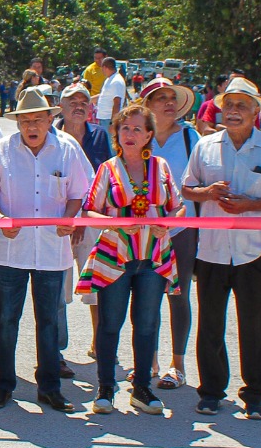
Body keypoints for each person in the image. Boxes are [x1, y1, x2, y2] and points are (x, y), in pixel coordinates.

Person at [0, 86, 94, 413]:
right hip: (12, 249)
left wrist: (71, 218)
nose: (32, 126)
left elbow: (80, 192)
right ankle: (4, 385)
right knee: (7, 318)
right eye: (25, 121)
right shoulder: (3, 149)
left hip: (52, 249)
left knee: (49, 320)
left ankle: (49, 387)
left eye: (38, 119)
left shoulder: (67, 148)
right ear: (18, 123)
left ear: (50, 120)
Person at [180, 77, 261, 419]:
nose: (233, 111)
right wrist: (207, 193)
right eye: (228, 105)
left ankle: (256, 394)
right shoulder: (205, 146)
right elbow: (187, 189)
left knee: (256, 325)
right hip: (212, 249)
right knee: (210, 324)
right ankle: (211, 391)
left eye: (241, 106)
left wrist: (251, 206)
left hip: (254, 250)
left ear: (255, 112)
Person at [78, 103, 184, 415]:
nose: (130, 134)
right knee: (110, 323)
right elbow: (89, 210)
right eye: (125, 128)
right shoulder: (107, 169)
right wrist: (113, 223)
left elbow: (178, 207)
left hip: (153, 256)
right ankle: (105, 388)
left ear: (149, 135)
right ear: (117, 132)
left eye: (138, 129)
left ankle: (142, 388)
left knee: (147, 324)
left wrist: (169, 222)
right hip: (115, 256)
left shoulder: (161, 167)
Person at [142, 76, 200, 389]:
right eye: (161, 98)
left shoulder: (191, 137)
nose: (169, 103)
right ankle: (148, 361)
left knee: (178, 295)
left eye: (172, 98)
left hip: (183, 229)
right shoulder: (139, 136)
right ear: (148, 106)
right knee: (147, 297)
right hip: (145, 231)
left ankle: (178, 366)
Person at [55, 82, 112, 372]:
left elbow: (107, 176)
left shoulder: (100, 135)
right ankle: (56, 351)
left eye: (84, 102)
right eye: (72, 101)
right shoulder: (51, 134)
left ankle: (100, 343)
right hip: (59, 221)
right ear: (61, 106)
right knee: (58, 288)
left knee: (97, 285)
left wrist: (85, 216)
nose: (78, 106)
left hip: (92, 219)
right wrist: (72, 217)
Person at [95, 55, 127, 126]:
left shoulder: (116, 81)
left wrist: (113, 123)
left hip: (108, 119)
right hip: (103, 118)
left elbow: (117, 103)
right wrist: (88, 100)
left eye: (102, 68)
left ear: (105, 67)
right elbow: (103, 95)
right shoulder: (109, 79)